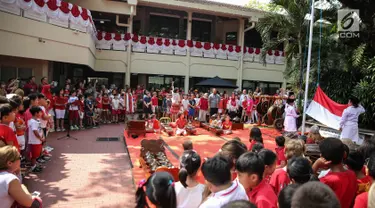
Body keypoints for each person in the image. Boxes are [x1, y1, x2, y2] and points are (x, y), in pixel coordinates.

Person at [312, 138, 358, 208]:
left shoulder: (327, 180)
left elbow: (307, 191)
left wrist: (316, 165)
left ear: (321, 156)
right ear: (345, 154)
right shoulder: (352, 175)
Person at [27, 106, 45, 173]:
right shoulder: (33, 122)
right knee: (34, 155)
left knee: (37, 154)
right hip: (34, 141)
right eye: (40, 112)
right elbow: (35, 131)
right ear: (36, 113)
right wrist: (40, 138)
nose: (41, 113)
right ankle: (33, 167)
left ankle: (35, 165)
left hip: (38, 141)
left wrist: (43, 137)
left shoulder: (37, 120)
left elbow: (40, 129)